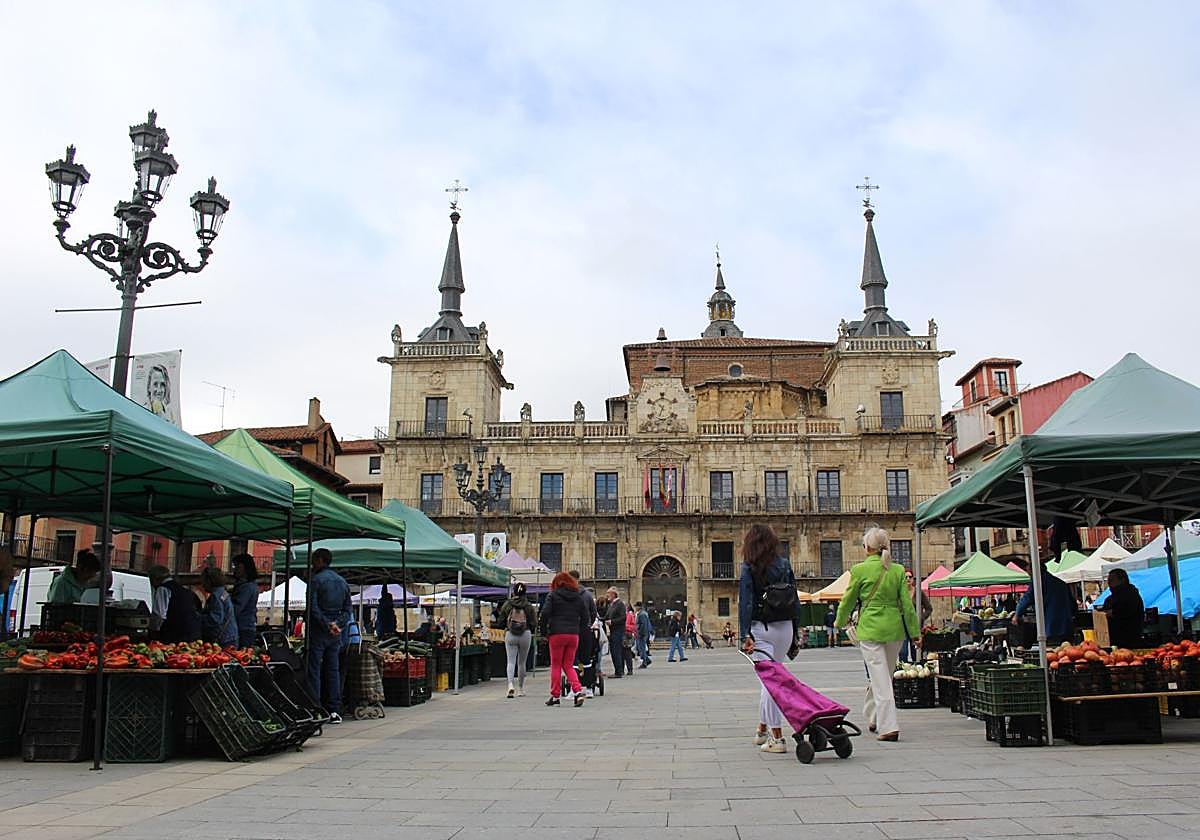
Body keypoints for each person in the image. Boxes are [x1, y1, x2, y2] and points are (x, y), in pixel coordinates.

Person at [835, 527, 918, 744]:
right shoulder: (898, 570)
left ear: (867, 548)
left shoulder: (860, 570)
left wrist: (839, 621)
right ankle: (873, 717)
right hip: (894, 630)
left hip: (870, 630)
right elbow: (907, 606)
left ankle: (889, 726)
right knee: (882, 676)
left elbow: (848, 600)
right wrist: (915, 633)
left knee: (880, 680)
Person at [738, 524, 799, 754]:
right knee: (771, 678)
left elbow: (745, 603)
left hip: (761, 629)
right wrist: (795, 630)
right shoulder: (784, 565)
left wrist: (745, 633)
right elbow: (795, 599)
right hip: (784, 628)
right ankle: (762, 729)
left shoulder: (748, 567)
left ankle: (777, 738)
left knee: (769, 682)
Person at [308, 548, 351, 723]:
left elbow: (313, 607)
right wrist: (337, 624)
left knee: (314, 670)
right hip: (335, 633)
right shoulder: (342, 582)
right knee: (333, 670)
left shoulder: (316, 580)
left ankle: (316, 708)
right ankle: (334, 710)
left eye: (313, 560)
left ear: (320, 560)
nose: (312, 564)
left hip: (319, 631)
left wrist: (326, 624)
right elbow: (348, 609)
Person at [540, 571, 589, 707]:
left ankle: (555, 695)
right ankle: (578, 691)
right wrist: (578, 628)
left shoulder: (553, 595)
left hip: (557, 634)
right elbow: (586, 617)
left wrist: (544, 631)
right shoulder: (578, 597)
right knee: (568, 665)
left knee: (556, 665)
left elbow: (545, 613)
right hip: (573, 635)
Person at [1013, 560, 1075, 645]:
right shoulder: (1061, 583)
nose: (1029, 575)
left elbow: (1027, 598)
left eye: (1029, 573)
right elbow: (1073, 604)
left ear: (1034, 570)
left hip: (1052, 627)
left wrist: (1017, 614)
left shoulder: (1038, 582)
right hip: (1067, 627)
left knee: (1053, 653)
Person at [497, 582, 536, 698]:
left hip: (510, 634)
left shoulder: (508, 604)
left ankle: (510, 685)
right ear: (525, 592)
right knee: (522, 662)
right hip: (525, 634)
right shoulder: (528, 606)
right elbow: (534, 622)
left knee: (510, 661)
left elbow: (501, 621)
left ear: (514, 592)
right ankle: (521, 688)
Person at [1099, 568, 1145, 649]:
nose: (1109, 582)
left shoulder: (1131, 595)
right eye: (1108, 580)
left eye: (1112, 580)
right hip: (1112, 640)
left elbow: (1127, 611)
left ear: (1122, 580)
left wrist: (1112, 613)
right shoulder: (1110, 598)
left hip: (1130, 639)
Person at [199, 566, 238, 648]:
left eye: (203, 580)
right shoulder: (223, 593)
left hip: (223, 639)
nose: (202, 584)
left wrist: (198, 617)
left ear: (209, 581)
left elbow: (216, 619)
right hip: (231, 636)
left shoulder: (215, 596)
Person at [229, 554, 259, 649]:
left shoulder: (246, 587)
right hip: (246, 627)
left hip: (242, 628)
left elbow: (236, 609)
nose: (235, 569)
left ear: (244, 567)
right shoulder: (250, 585)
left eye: (237, 566)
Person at [605, 587, 628, 678]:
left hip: (618, 631)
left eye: (609, 593)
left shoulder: (620, 604)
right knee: (615, 651)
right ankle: (619, 670)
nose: (607, 595)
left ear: (614, 594)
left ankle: (618, 672)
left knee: (616, 651)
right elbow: (606, 616)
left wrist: (612, 622)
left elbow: (623, 618)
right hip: (613, 630)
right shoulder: (612, 605)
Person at [635, 602, 653, 667]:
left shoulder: (642, 614)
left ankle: (644, 662)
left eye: (636, 606)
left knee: (641, 648)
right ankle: (647, 660)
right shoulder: (642, 613)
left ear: (639, 607)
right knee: (640, 648)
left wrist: (640, 633)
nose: (635, 608)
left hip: (641, 634)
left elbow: (643, 625)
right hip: (642, 633)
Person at [623, 605, 637, 675]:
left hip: (627, 635)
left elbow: (633, 626)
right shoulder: (624, 615)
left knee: (627, 652)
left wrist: (625, 627)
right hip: (621, 634)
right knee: (621, 653)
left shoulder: (630, 615)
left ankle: (630, 669)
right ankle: (622, 669)